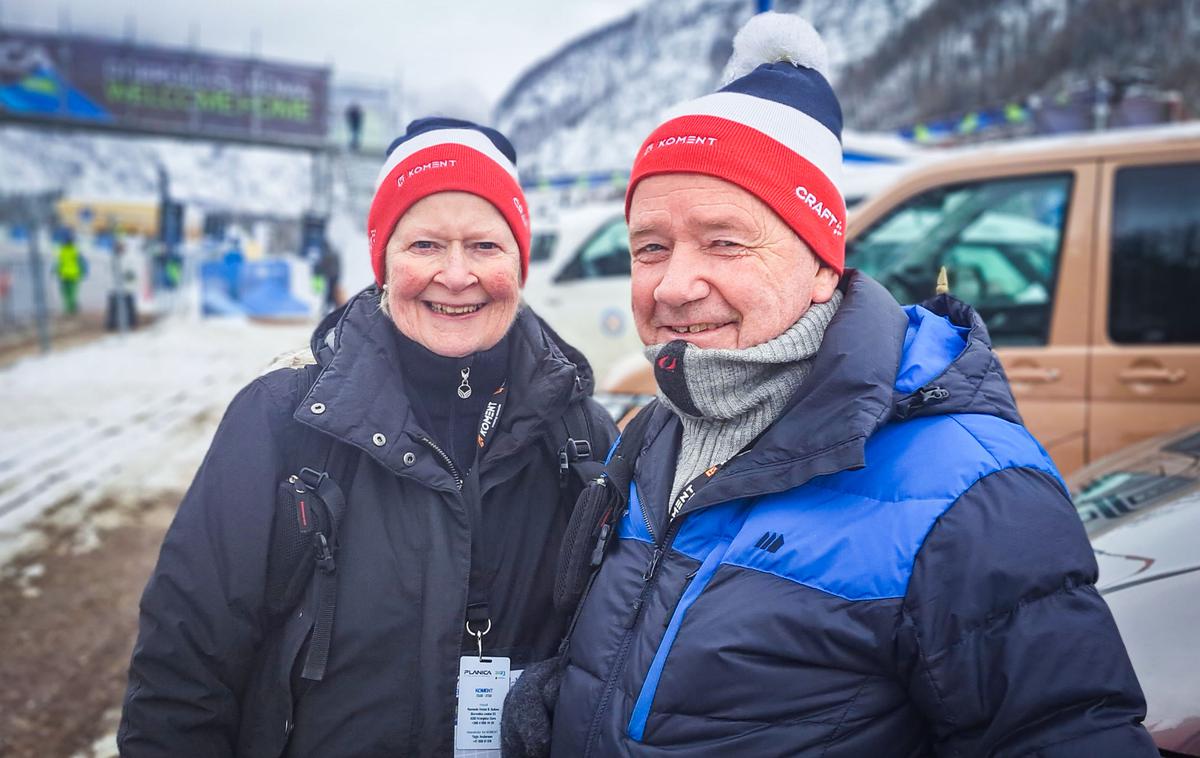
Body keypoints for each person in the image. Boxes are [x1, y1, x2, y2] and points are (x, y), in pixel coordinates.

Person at [513, 13, 1157, 757]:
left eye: (724, 242)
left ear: (822, 263)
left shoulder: (969, 489)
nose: (675, 284)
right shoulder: (664, 431)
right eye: (650, 248)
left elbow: (1066, 733)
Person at [119, 117, 617, 757]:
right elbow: (182, 676)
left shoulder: (581, 434)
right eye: (426, 246)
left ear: (520, 260)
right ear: (383, 260)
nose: (457, 275)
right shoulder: (282, 422)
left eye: (486, 246)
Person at [53, 228, 85, 316]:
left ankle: (68, 308)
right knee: (72, 292)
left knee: (65, 293)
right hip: (73, 274)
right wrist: (83, 272)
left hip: (64, 274)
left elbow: (58, 263)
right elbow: (81, 262)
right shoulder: (76, 250)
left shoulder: (62, 250)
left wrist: (55, 271)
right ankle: (71, 307)